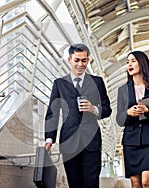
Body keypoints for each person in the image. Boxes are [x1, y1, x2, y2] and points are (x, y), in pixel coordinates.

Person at [44, 43, 112, 188]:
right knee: (74, 184)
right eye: (77, 60)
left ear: (88, 60)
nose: (80, 64)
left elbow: (107, 109)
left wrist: (93, 108)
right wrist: (49, 139)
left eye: (84, 60)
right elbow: (53, 113)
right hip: (69, 141)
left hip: (91, 141)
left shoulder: (97, 82)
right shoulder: (59, 84)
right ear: (69, 60)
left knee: (91, 183)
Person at [116, 51, 149, 188]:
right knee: (135, 184)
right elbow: (120, 119)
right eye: (127, 62)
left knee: (147, 181)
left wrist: (148, 111)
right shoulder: (123, 90)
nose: (129, 64)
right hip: (131, 141)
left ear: (142, 63)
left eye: (133, 61)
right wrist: (128, 113)